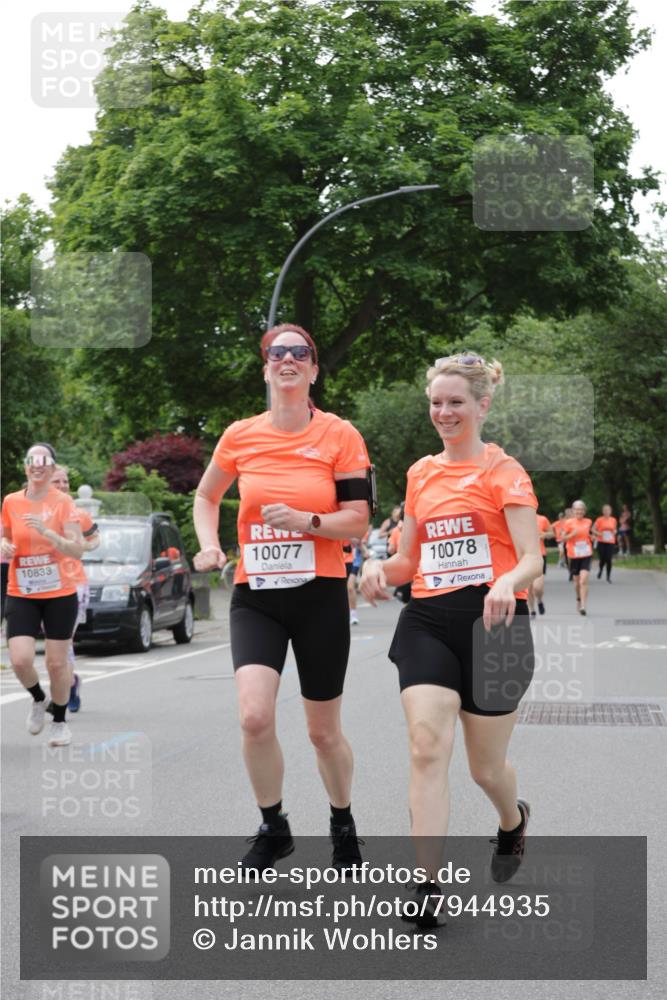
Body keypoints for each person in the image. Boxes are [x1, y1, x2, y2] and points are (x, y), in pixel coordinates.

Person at [361, 352, 541, 925]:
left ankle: (511, 821)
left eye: (456, 402)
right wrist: (375, 571)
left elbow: (533, 559)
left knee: (485, 770)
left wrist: (507, 581)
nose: (444, 412)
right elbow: (408, 559)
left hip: (496, 627)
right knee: (426, 746)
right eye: (436, 403)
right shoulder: (421, 473)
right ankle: (427, 887)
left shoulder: (504, 471)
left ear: (482, 406)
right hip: (429, 621)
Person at [193, 324, 371, 873]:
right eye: (277, 352)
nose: (288, 359)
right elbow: (206, 494)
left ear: (314, 370)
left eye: (300, 352)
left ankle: (343, 823)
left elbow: (358, 523)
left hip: (319, 594)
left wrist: (306, 521)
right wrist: (208, 545)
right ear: (266, 368)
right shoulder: (240, 435)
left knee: (322, 731)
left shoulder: (341, 435)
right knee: (253, 717)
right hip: (257, 594)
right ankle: (274, 826)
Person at [1, 444, 85, 747]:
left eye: (44, 462)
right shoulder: (11, 501)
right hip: (22, 590)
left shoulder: (63, 502)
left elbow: (77, 548)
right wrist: (4, 545)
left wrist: (51, 535)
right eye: (32, 461)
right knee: (21, 660)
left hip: (60, 592)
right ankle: (39, 699)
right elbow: (5, 535)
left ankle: (60, 722)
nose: (37, 466)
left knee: (56, 664)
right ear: (26, 467)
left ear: (52, 468)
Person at [49, 465, 100, 712]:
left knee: (64, 638)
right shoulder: (34, 514)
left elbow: (95, 539)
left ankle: (64, 690)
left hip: (75, 583)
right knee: (54, 642)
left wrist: (83, 545)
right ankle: (70, 681)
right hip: (44, 586)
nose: (62, 486)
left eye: (65, 481)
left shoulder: (79, 514)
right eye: (56, 482)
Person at [561, 500, 593, 614]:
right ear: (573, 511)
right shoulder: (568, 523)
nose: (579, 511)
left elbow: (590, 534)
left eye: (581, 509)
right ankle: (578, 598)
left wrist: (592, 537)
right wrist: (571, 535)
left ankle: (583, 606)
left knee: (583, 580)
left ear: (584, 511)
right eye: (577, 510)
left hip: (586, 554)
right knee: (577, 582)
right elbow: (562, 538)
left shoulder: (588, 522)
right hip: (573, 555)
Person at [527, 512, 552, 616]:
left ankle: (540, 600)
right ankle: (532, 609)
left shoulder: (542, 519)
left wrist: (544, 535)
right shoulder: (518, 519)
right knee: (528, 587)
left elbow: (552, 533)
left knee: (537, 587)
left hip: (540, 555)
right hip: (524, 556)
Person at [593, 504, 617, 583]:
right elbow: (593, 529)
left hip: (610, 541)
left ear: (610, 511)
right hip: (601, 541)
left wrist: (615, 532)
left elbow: (615, 530)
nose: (606, 512)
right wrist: (598, 533)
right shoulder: (599, 520)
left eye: (608, 510)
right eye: (605, 510)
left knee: (609, 559)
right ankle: (600, 569)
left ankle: (608, 577)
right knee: (602, 559)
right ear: (603, 511)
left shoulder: (613, 520)